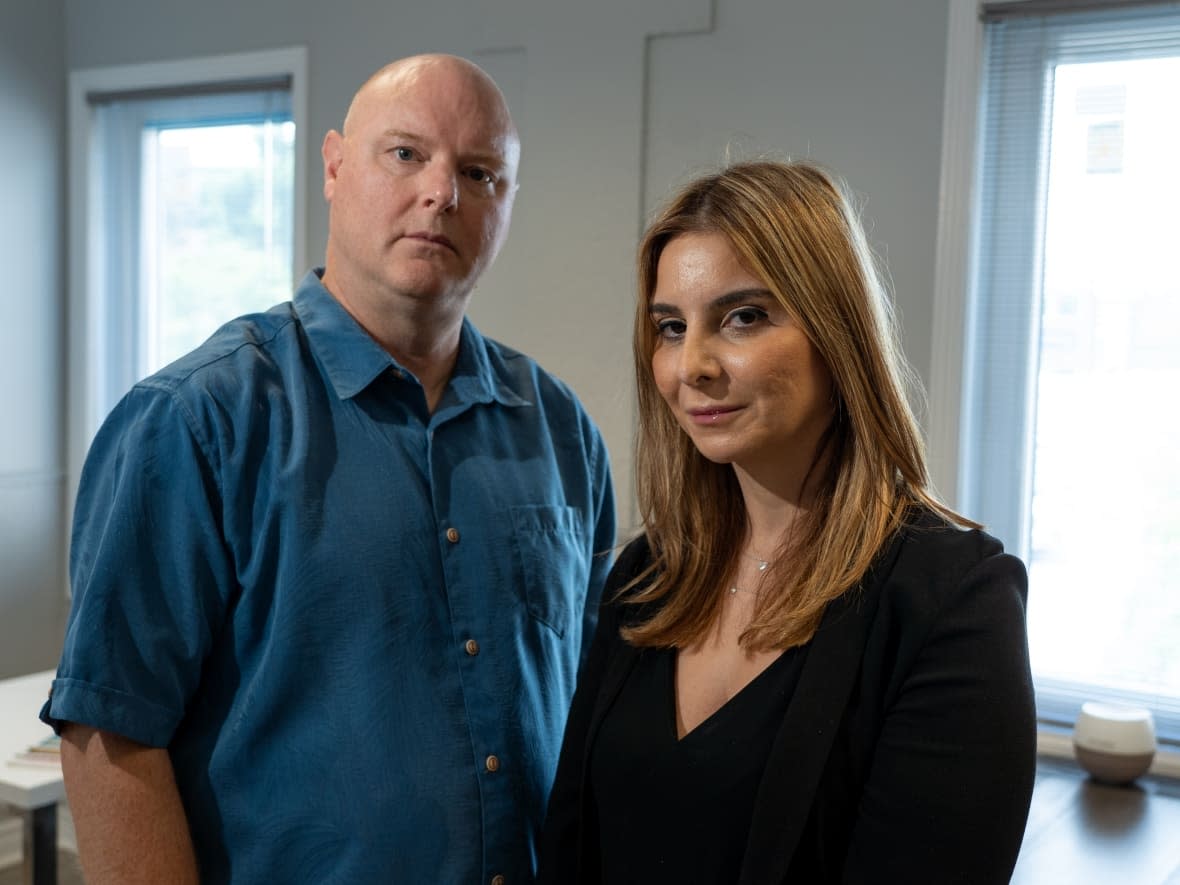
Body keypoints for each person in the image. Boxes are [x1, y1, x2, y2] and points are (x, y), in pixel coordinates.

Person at [41, 54, 615, 884]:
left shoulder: (561, 431)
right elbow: (111, 734)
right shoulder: (195, 422)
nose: (441, 193)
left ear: (507, 204)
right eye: (406, 154)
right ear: (335, 168)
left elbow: (589, 708)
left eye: (480, 172)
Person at [538, 160, 1036, 884]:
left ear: (837, 332)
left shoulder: (951, 600)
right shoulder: (648, 576)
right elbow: (570, 847)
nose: (694, 364)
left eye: (743, 316)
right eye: (671, 327)